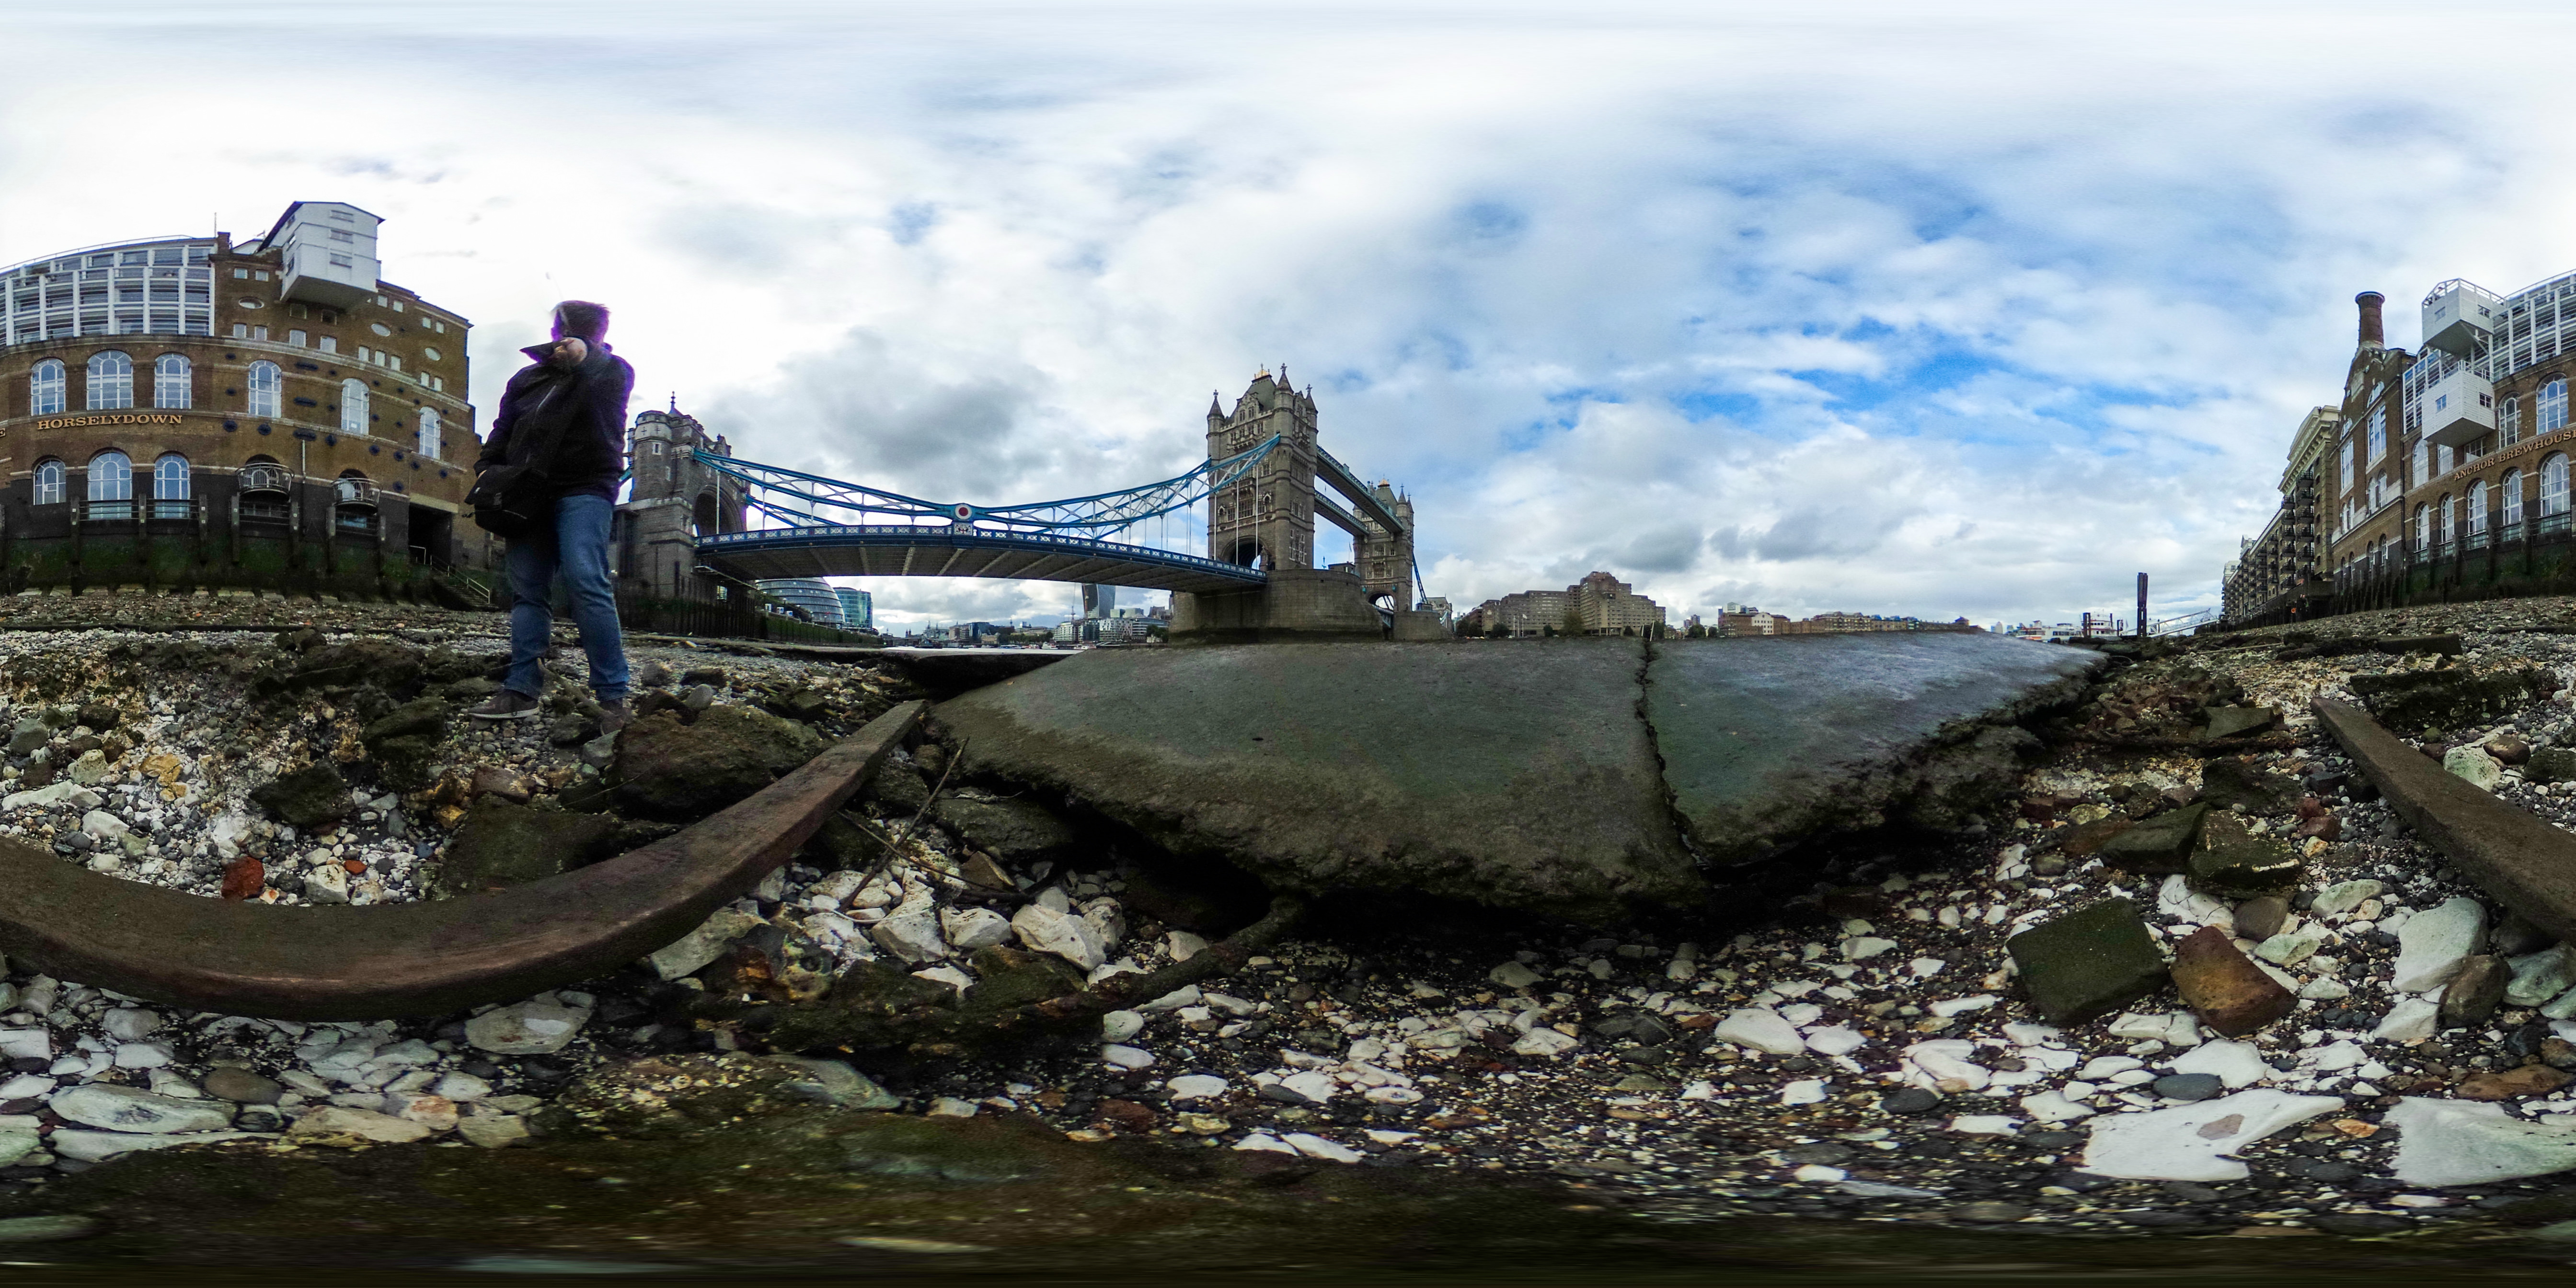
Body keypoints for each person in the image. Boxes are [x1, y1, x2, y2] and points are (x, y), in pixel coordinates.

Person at [467, 300, 636, 731]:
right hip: (526, 492)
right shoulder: (526, 379)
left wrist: (586, 357)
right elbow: (503, 429)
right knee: (528, 592)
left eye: (583, 332)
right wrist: (486, 467)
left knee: (586, 580)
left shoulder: (612, 372)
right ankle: (521, 689)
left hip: (586, 488)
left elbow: (601, 383)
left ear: (597, 335)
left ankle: (613, 696)